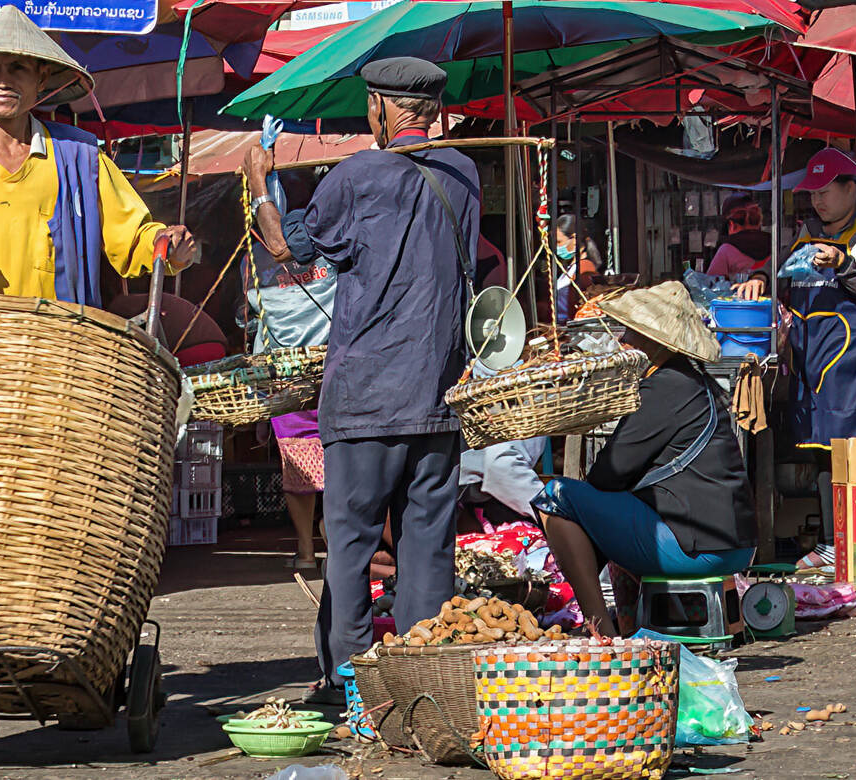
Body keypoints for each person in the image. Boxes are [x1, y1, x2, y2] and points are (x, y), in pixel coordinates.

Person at [243, 57, 480, 701]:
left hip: (367, 395)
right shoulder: (464, 173)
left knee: (348, 546)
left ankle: (351, 687)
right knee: (427, 549)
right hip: (438, 395)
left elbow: (288, 247)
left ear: (380, 107)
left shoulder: (356, 177)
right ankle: (423, 686)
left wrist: (262, 185)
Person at [0, 6, 198, 303]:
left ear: (42, 77)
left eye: (18, 67)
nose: (2, 81)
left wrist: (168, 245)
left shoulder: (81, 157)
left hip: (57, 340)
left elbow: (132, 238)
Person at [532, 282, 757, 635]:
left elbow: (608, 476)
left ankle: (599, 629)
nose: (623, 341)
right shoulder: (693, 382)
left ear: (654, 341)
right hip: (730, 542)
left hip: (697, 546)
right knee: (591, 508)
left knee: (554, 498)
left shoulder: (665, 387)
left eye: (630, 334)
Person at [736, 148, 856, 571]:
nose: (818, 201)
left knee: (851, 451)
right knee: (819, 450)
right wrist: (759, 278)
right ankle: (832, 544)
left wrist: (844, 262)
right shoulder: (807, 233)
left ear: (851, 188)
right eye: (812, 192)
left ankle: (852, 545)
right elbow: (777, 271)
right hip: (815, 358)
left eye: (826, 191)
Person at [244, 169, 337, 569]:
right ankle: (332, 547)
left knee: (299, 468)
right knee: (337, 467)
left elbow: (256, 317)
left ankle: (306, 550)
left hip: (288, 374)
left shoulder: (263, 261)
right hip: (330, 369)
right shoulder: (332, 247)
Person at [706, 193, 771, 280]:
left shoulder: (726, 250)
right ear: (758, 221)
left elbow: (711, 283)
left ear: (731, 224)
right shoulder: (774, 245)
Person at [554, 214, 603, 323]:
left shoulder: (584, 268)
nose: (557, 247)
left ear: (574, 240)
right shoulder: (569, 268)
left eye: (559, 242)